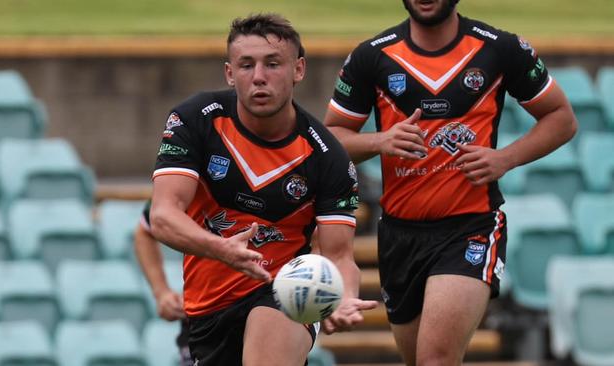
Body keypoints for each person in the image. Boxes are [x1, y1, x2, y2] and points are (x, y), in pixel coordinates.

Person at [323, 1, 577, 365]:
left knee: (435, 359)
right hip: (399, 235)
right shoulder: (370, 57)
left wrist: (505, 158)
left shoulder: (499, 48)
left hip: (470, 227)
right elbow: (329, 139)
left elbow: (562, 118)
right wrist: (380, 140)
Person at [149, 13, 378, 366]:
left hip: (286, 291)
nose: (259, 77)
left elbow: (339, 255)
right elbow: (162, 216)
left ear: (298, 70)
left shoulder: (327, 156)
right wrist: (222, 249)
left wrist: (343, 295)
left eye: (273, 64)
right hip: (208, 308)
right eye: (246, 65)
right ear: (229, 73)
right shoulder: (195, 119)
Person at [133, 199, 192, 365]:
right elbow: (145, 230)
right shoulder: (191, 179)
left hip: (259, 319)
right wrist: (162, 292)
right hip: (201, 327)